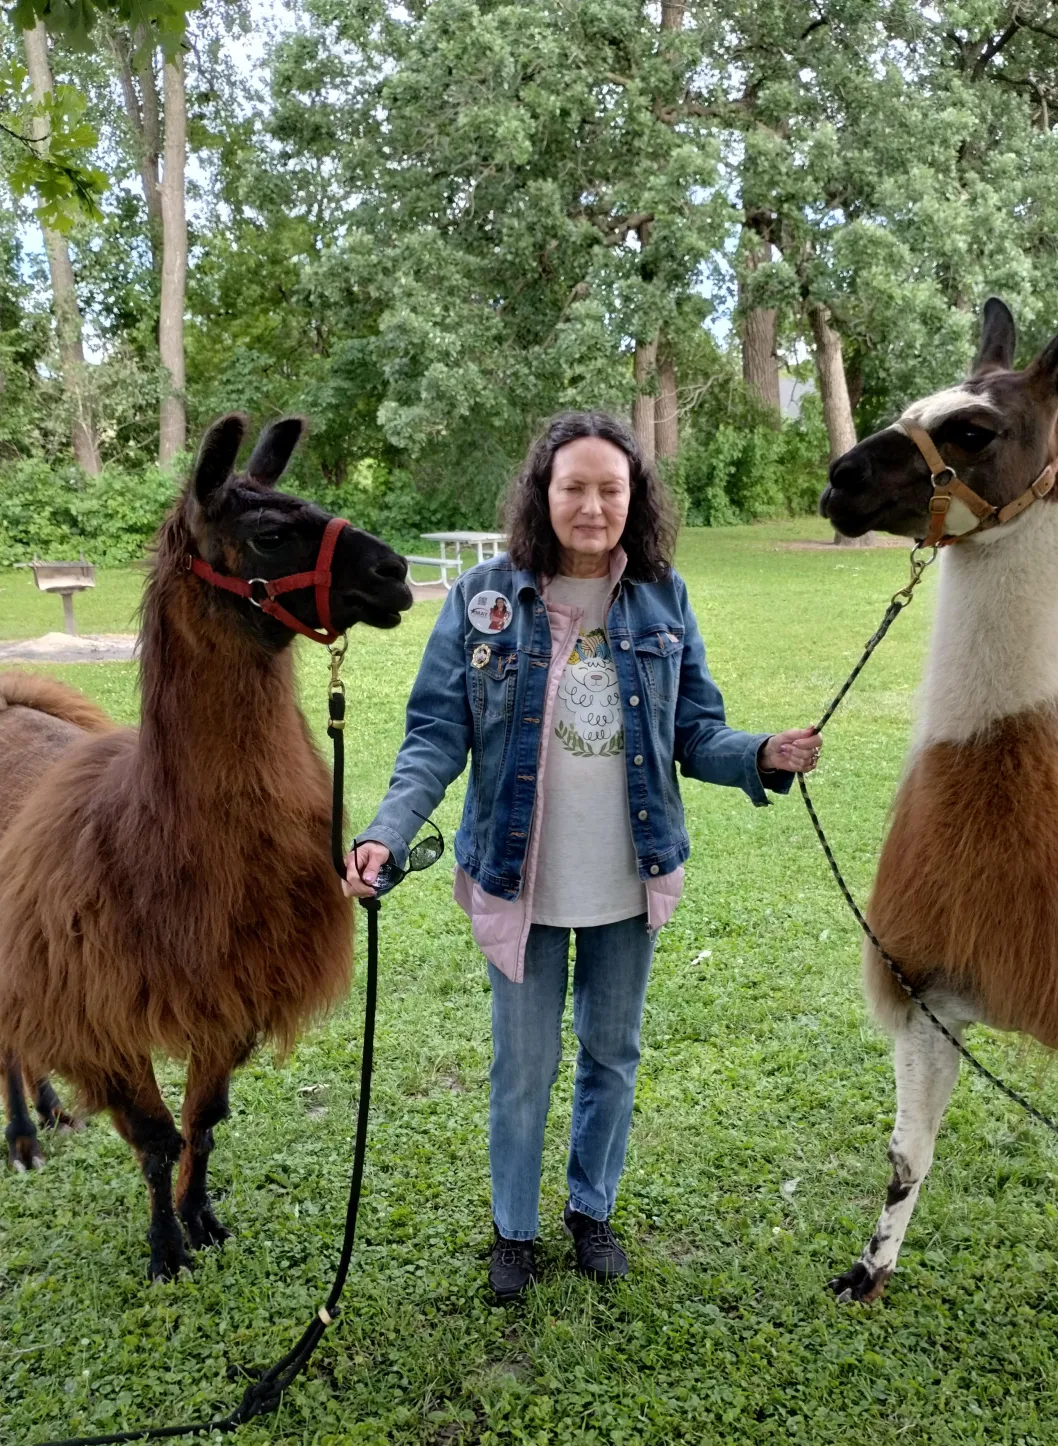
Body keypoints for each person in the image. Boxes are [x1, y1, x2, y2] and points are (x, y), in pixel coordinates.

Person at [344, 411, 821, 1299]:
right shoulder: (484, 598)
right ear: (544, 494)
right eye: (575, 487)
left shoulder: (662, 599)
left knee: (612, 1051)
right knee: (521, 1067)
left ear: (633, 499)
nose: (593, 505)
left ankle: (589, 1210)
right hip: (519, 876)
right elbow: (435, 735)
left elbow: (694, 731)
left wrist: (758, 754)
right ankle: (513, 1231)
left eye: (611, 488)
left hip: (628, 877)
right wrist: (387, 829)